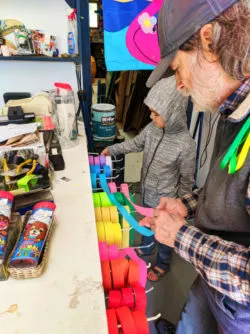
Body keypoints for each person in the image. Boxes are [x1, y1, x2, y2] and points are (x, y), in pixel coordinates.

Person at [142, 0, 250, 333]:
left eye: (178, 67)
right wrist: (187, 204)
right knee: (192, 320)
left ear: (208, 40)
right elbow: (231, 184)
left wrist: (180, 236)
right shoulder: (235, 111)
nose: (179, 84)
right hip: (211, 284)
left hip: (239, 308)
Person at [101, 76, 196, 282]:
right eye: (151, 112)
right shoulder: (152, 129)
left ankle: (162, 263)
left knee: (163, 236)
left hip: (166, 202)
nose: (152, 117)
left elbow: (187, 180)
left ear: (173, 114)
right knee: (146, 225)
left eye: (156, 114)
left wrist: (180, 209)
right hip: (147, 191)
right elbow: (134, 144)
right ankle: (145, 248)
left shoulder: (185, 145)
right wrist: (113, 150)